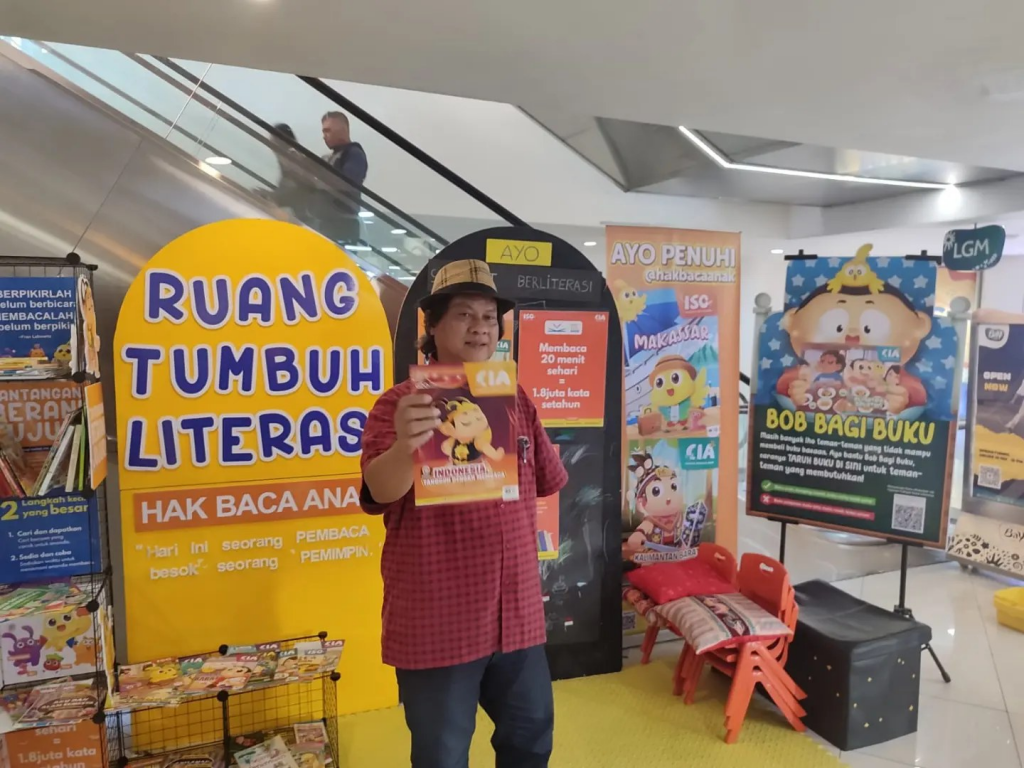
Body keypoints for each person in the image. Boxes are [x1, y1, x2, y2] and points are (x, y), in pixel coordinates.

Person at [360, 259, 567, 768]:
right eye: (464, 315)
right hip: (440, 619)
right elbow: (378, 492)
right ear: (432, 326)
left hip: (516, 614)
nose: (480, 327)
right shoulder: (401, 403)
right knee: (443, 756)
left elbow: (549, 479)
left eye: (489, 317)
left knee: (531, 738)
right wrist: (407, 447)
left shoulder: (514, 397)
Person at [315, 110, 368, 243]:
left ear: (343, 130)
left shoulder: (354, 154)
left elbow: (346, 184)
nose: (324, 136)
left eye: (328, 131)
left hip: (342, 225)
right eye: (323, 131)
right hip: (328, 223)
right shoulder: (331, 157)